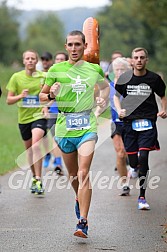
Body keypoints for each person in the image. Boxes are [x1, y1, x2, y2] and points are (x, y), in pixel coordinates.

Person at [39, 30, 110, 238]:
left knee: (83, 172)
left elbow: (105, 88)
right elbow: (42, 96)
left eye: (77, 45)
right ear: (65, 46)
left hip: (87, 125)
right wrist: (52, 93)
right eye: (70, 45)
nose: (73, 48)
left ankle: (83, 222)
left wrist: (101, 101)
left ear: (84, 45)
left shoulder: (93, 69)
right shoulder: (56, 69)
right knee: (73, 176)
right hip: (64, 127)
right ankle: (79, 198)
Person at [114, 47, 167, 210]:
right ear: (132, 60)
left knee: (144, 156)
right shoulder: (125, 78)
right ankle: (134, 166)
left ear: (146, 60)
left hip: (148, 124)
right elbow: (116, 96)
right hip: (129, 125)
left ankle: (142, 197)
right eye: (136, 57)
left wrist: (164, 109)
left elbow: (163, 95)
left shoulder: (154, 78)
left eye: (142, 57)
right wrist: (119, 110)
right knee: (133, 160)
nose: (139, 60)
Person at [6, 49, 47, 195]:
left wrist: (46, 105)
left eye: (33, 58)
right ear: (23, 61)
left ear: (37, 61)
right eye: (27, 58)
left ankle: (39, 178)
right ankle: (34, 178)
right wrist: (20, 96)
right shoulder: (16, 77)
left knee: (36, 145)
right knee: (29, 150)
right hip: (23, 119)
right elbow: (8, 100)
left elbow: (50, 95)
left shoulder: (43, 76)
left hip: (39, 116)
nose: (30, 61)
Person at [43, 51, 68, 174]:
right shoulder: (52, 76)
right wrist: (45, 107)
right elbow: (45, 95)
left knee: (65, 140)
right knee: (56, 138)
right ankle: (58, 163)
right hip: (54, 111)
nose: (59, 61)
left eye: (62, 59)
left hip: (68, 112)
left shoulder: (71, 76)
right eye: (57, 59)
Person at [110, 57, 133, 196]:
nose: (119, 72)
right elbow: (99, 100)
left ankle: (134, 167)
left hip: (131, 123)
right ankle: (124, 184)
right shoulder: (109, 86)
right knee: (120, 152)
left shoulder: (132, 85)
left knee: (133, 155)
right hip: (116, 123)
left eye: (122, 69)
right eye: (117, 69)